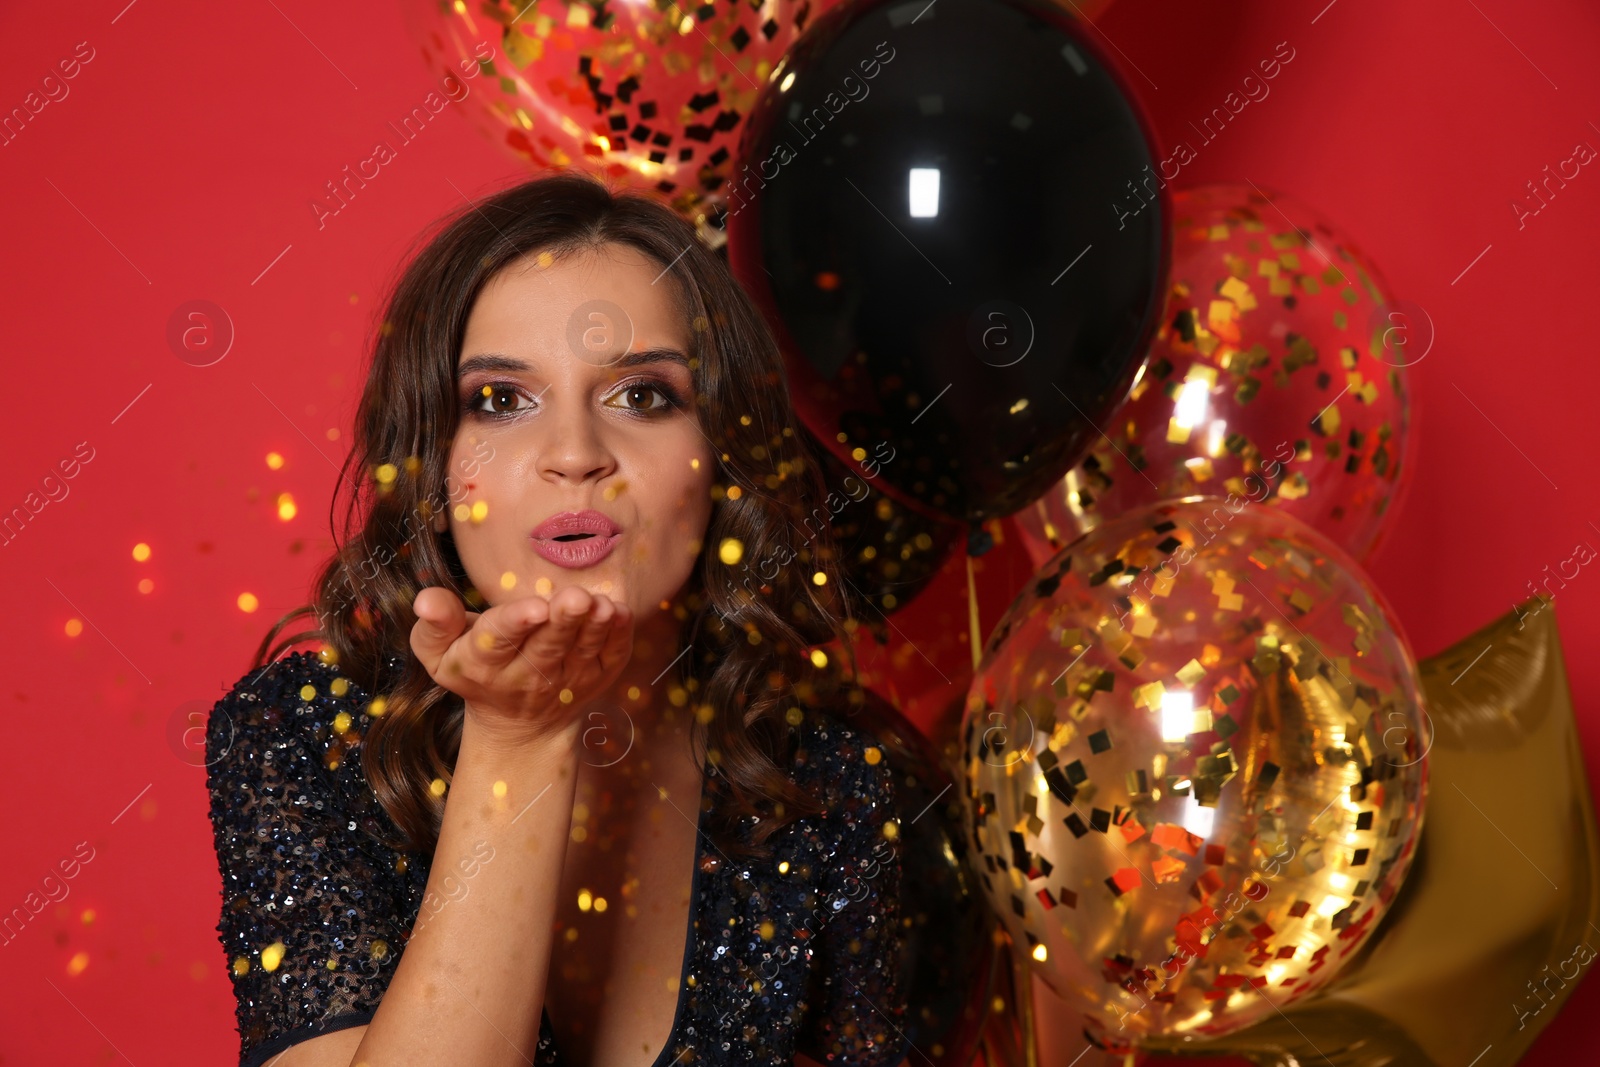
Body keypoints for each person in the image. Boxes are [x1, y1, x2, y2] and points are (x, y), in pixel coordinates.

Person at [203, 173, 912, 1067]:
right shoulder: (304, 734)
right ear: (432, 461)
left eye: (643, 395)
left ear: (720, 451)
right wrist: (518, 738)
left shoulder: (830, 777)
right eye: (501, 400)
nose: (576, 455)